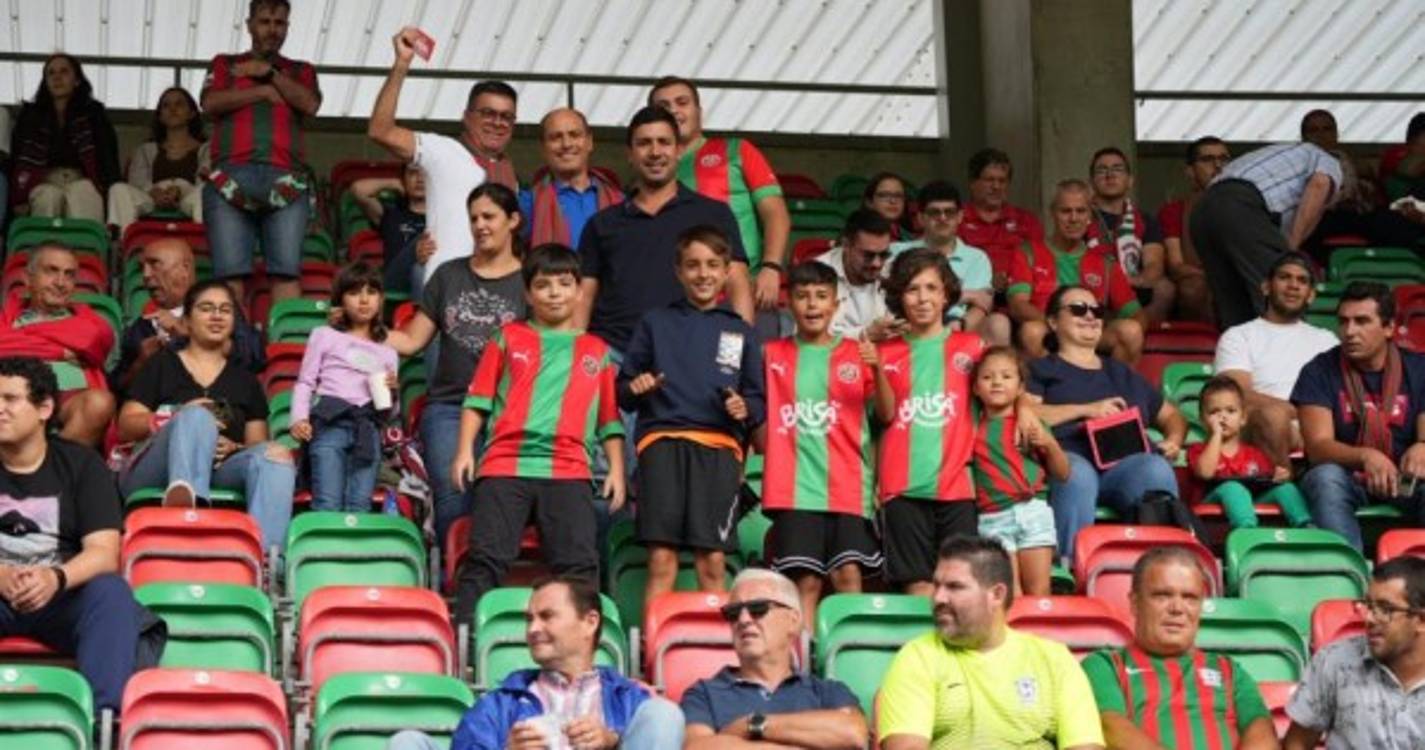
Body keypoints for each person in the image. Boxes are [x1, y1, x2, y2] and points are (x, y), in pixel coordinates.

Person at [447, 244, 626, 627]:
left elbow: (609, 420)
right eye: (543, 285)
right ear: (528, 294)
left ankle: (581, 647)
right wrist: (464, 450)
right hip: (504, 465)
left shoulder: (596, 350)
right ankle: (467, 644)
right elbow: (476, 400)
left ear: (580, 291)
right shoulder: (506, 338)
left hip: (570, 470)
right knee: (486, 558)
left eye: (564, 284)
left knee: (579, 564)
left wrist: (616, 470)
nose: (555, 293)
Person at [619, 225, 764, 603]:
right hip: (662, 444)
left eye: (713, 265)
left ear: (727, 271)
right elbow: (624, 390)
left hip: (718, 450)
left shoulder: (740, 331)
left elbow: (758, 400)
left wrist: (743, 407)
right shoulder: (656, 322)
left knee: (712, 561)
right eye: (693, 265)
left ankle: (716, 648)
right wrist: (638, 387)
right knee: (662, 559)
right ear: (678, 271)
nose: (703, 274)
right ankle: (654, 656)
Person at [0, 357, 151, 714]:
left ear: (45, 408)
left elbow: (103, 552)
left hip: (60, 595)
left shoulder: (82, 465)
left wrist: (55, 578)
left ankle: (103, 722)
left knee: (111, 592)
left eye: (10, 399)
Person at [383, 184, 526, 546]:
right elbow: (413, 341)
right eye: (474, 217)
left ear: (513, 220)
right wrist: (359, 333)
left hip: (510, 409)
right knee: (452, 492)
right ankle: (456, 575)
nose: (480, 225)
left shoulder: (530, 280)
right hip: (449, 405)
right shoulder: (448, 275)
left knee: (504, 495)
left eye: (489, 216)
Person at [388, 576, 685, 750]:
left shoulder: (630, 698)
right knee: (408, 742)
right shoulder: (500, 702)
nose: (532, 629)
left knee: (664, 713)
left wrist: (613, 741)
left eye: (547, 616)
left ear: (590, 622)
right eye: (529, 619)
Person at [116, 280, 296, 550]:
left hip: (219, 469)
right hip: (154, 468)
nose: (217, 316)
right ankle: (191, 518)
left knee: (276, 456)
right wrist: (179, 419)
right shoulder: (162, 364)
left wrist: (235, 448)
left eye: (225, 310)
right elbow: (126, 425)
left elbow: (256, 443)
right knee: (198, 416)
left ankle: (263, 559)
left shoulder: (245, 380)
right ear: (187, 321)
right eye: (206, 308)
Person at [878, 536, 1105, 750]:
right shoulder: (917, 657)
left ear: (996, 595)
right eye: (937, 585)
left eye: (954, 587)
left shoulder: (1054, 659)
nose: (938, 598)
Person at [757, 261, 883, 627]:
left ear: (836, 304)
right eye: (802, 296)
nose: (812, 305)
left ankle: (854, 658)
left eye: (821, 296)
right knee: (805, 582)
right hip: (793, 490)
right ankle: (803, 667)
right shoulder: (771, 355)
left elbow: (883, 418)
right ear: (789, 303)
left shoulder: (858, 355)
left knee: (848, 577)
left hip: (847, 485)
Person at [576, 105, 754, 354]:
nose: (655, 152)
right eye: (644, 143)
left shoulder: (714, 214)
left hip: (692, 354)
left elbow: (738, 285)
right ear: (630, 153)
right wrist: (573, 356)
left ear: (679, 150)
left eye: (664, 142)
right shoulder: (602, 224)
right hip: (615, 356)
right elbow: (583, 298)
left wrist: (739, 357)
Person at [1028, 285, 1187, 560]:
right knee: (1076, 475)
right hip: (1070, 457)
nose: (1090, 316)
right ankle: (1071, 568)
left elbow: (1172, 416)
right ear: (1053, 322)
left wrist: (1173, 440)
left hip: (1124, 465)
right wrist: (1086, 410)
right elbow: (1027, 412)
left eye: (1097, 311)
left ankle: (1160, 567)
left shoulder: (1121, 371)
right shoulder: (1042, 369)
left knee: (1156, 469)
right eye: (1078, 309)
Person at [871, 249, 987, 596]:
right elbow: (877, 421)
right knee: (917, 584)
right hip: (901, 487)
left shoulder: (973, 347)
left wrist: (1025, 409)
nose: (922, 298)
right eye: (912, 289)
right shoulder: (882, 353)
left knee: (960, 582)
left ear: (946, 293)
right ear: (898, 297)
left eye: (931, 288)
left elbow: (1005, 396)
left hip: (957, 487)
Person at [1082, 547, 1278, 750]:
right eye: (1162, 595)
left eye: (1190, 598)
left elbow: (1261, 730)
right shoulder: (1106, 665)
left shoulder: (1228, 669)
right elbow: (1112, 728)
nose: (1177, 608)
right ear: (1134, 602)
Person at [369, 27, 516, 285]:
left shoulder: (508, 171)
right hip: (446, 291)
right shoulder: (444, 151)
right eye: (487, 113)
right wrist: (402, 64)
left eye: (506, 117)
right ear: (466, 117)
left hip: (497, 291)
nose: (497, 122)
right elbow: (381, 131)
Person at [200, 0, 320, 306]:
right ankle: (236, 353)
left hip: (287, 180)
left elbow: (310, 105)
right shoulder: (224, 63)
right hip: (230, 178)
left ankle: (286, 352)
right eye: (265, 21)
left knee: (287, 273)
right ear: (250, 24)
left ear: (288, 27)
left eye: (279, 23)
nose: (272, 29)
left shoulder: (300, 70)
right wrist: (262, 92)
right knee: (229, 276)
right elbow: (209, 103)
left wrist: (270, 74)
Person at [650, 76, 790, 334]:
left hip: (746, 293)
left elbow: (775, 213)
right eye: (664, 106)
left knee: (745, 367)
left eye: (682, 102)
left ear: (699, 111)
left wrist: (771, 267)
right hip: (682, 301)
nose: (674, 111)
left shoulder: (737, 150)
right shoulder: (653, 168)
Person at [1291, 281, 1425, 551]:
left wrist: (1422, 447)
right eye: (1344, 322)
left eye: (1362, 321)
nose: (1350, 332)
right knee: (1324, 476)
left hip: (1406, 478)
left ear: (1388, 327)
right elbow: (1317, 447)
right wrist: (1366, 456)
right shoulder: (1319, 370)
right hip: (1348, 477)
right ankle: (1347, 572)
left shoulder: (1419, 368)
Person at [681, 569, 869, 749]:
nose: (743, 619)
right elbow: (698, 747)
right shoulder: (703, 693)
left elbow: (854, 733)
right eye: (733, 612)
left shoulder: (827, 691)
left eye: (758, 608)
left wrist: (752, 725)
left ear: (793, 621)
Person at [1189, 141, 1343, 328]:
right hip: (1240, 204)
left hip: (1203, 212)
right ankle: (1290, 356)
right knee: (1282, 301)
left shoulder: (1285, 156)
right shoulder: (1329, 162)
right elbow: (1319, 185)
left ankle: (1242, 356)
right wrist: (1289, 253)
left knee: (1236, 315)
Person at [1283, 556, 1425, 750]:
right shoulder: (1334, 661)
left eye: (1386, 609)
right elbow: (1296, 743)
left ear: (1421, 620)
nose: (1369, 619)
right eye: (1367, 605)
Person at [289, 263, 398, 513]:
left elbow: (390, 414)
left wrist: (393, 392)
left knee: (360, 505)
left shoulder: (389, 353)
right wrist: (299, 418)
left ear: (381, 300)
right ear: (340, 301)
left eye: (371, 292)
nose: (363, 300)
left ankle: (352, 553)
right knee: (327, 502)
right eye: (354, 293)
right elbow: (306, 382)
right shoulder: (324, 335)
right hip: (330, 423)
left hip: (367, 430)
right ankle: (323, 553)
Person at [1213, 252, 1339, 467]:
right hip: (1263, 424)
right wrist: (1298, 411)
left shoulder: (1327, 340)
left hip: (1319, 425)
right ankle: (1283, 485)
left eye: (1302, 280)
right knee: (1272, 416)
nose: (1293, 285)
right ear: (1265, 287)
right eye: (1284, 277)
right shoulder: (1238, 335)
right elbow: (1236, 395)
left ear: (1311, 295)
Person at [1009, 180, 1145, 364]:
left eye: (1081, 211)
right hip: (1050, 334)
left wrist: (1092, 329)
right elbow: (1018, 306)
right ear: (1052, 214)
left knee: (1131, 331)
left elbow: (1136, 314)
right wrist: (1062, 327)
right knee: (1032, 331)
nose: (1074, 218)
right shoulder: (1028, 252)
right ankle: (1054, 389)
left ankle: (1117, 389)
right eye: (1065, 211)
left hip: (1092, 337)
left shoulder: (1105, 263)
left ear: (1090, 215)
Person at [111, 237, 266, 397]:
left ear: (184, 269)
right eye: (142, 267)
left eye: (154, 265)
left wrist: (191, 334)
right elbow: (117, 388)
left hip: (216, 408)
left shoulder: (219, 310)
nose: (146, 275)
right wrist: (140, 363)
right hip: (159, 414)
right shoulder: (141, 329)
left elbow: (255, 356)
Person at [971, 346, 1069, 596]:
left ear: (1021, 387)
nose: (996, 383)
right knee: (1008, 595)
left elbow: (1063, 473)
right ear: (975, 388)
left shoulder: (1030, 425)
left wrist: (1048, 443)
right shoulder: (971, 426)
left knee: (1039, 592)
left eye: (1006, 376)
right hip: (992, 519)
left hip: (1033, 512)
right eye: (987, 377)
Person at [0, 244, 117, 448]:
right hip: (9, 396)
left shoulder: (89, 323)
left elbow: (97, 340)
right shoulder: (7, 319)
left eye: (69, 274)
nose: (61, 282)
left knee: (100, 403)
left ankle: (50, 465)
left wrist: (19, 344)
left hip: (68, 399)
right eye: (51, 271)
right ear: (28, 278)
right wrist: (61, 352)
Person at [890, 180, 1009, 346]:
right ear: (921, 218)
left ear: (960, 217)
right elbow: (896, 297)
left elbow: (981, 306)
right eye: (934, 212)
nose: (942, 218)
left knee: (999, 323)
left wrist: (959, 327)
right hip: (909, 324)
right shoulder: (897, 252)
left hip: (959, 327)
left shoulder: (977, 258)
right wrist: (967, 294)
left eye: (949, 212)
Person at [1189, 376, 1312, 530]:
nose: (1223, 417)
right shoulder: (1198, 450)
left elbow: (1266, 481)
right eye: (1214, 412)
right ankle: (1247, 532)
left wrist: (1279, 476)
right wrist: (1216, 436)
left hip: (1251, 502)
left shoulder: (1254, 454)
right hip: (1211, 505)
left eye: (1231, 411)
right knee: (1233, 488)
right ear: (1202, 419)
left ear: (1243, 418)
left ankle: (1305, 526)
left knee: (1286, 488)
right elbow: (1206, 473)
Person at [8, 53, 120, 222]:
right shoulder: (30, 116)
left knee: (83, 192)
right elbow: (17, 158)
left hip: (84, 180)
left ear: (77, 80)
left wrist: (109, 190)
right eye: (51, 73)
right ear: (45, 82)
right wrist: (18, 197)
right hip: (42, 181)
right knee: (47, 196)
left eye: (64, 71)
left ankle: (87, 247)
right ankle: (45, 248)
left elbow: (108, 156)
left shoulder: (94, 113)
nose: (57, 77)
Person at [1086, 147, 1175, 324]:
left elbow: (1154, 265)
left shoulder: (1145, 220)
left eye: (1117, 169)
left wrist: (1128, 282)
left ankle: (1136, 330)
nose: (1110, 175)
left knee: (1165, 288)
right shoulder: (1080, 216)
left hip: (1134, 284)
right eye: (1102, 170)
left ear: (1130, 181)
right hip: (1093, 285)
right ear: (1091, 182)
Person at [106, 86, 207, 231]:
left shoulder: (205, 149)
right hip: (152, 197)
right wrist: (155, 192)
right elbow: (137, 181)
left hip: (189, 197)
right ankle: (126, 242)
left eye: (179, 104)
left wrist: (180, 190)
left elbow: (205, 178)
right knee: (118, 188)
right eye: (166, 105)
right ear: (160, 116)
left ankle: (202, 241)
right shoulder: (146, 149)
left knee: (208, 190)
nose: (172, 109)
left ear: (191, 113)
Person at [519, 108, 623, 248]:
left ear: (589, 142)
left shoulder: (620, 201)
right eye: (556, 137)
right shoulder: (528, 203)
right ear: (543, 148)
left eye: (574, 135)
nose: (566, 144)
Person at [1158, 136, 1230, 323]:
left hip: (1235, 281)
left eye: (1224, 159)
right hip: (1198, 282)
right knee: (1193, 288)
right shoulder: (1174, 211)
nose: (1218, 165)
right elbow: (1176, 266)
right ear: (1190, 171)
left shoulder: (1246, 209)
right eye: (1207, 160)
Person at [958, 148, 1045, 291]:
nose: (996, 186)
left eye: (1002, 181)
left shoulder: (1027, 221)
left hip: (1019, 296)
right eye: (989, 180)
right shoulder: (956, 220)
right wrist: (986, 281)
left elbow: (1041, 266)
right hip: (971, 297)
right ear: (972, 183)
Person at [348, 164, 430, 296]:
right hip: (395, 282)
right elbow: (357, 189)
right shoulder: (392, 214)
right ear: (404, 180)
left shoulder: (440, 217)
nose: (419, 179)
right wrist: (393, 183)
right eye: (413, 173)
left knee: (420, 270)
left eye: (425, 174)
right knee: (423, 239)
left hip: (429, 277)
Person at [815, 209, 895, 341]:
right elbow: (812, 334)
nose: (877, 263)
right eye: (868, 255)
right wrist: (863, 335)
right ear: (846, 245)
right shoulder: (817, 272)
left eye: (883, 255)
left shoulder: (890, 270)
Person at [862, 172, 916, 240]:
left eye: (898, 196)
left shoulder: (911, 240)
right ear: (869, 202)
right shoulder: (857, 236)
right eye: (885, 195)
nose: (893, 201)